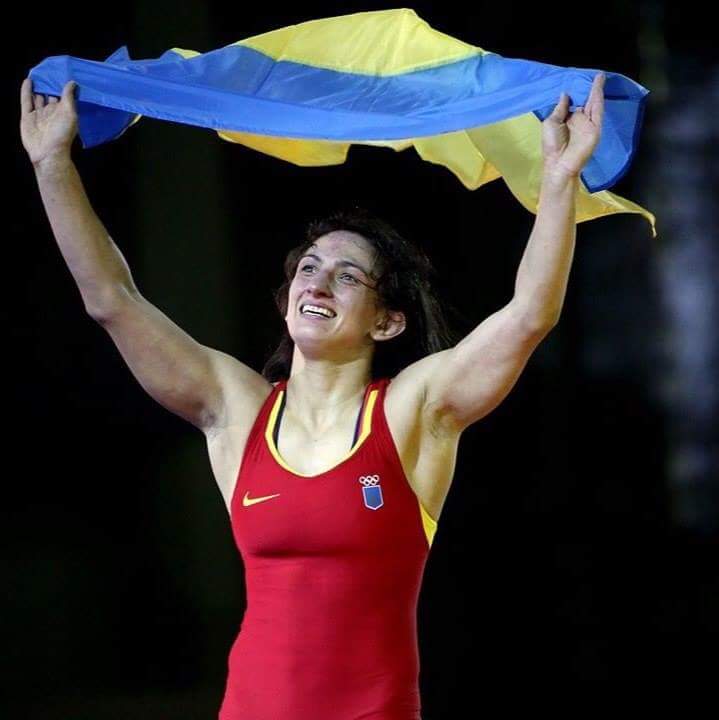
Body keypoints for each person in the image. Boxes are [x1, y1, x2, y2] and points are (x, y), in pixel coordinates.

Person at [21, 72, 605, 719]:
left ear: (387, 322)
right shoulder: (237, 410)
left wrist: (559, 180)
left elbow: (528, 316)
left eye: (347, 276)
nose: (318, 284)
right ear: (287, 300)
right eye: (308, 268)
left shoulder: (411, 411)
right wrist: (52, 165)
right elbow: (112, 300)